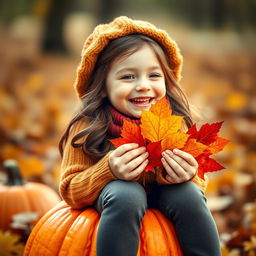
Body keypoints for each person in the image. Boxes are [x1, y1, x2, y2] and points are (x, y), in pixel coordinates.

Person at [59, 16, 221, 256]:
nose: (144, 85)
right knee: (126, 194)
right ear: (102, 86)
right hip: (113, 203)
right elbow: (70, 190)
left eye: (154, 76)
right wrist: (108, 171)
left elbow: (198, 181)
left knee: (188, 194)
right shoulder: (87, 126)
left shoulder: (172, 122)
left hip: (167, 199)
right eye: (128, 76)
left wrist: (188, 175)